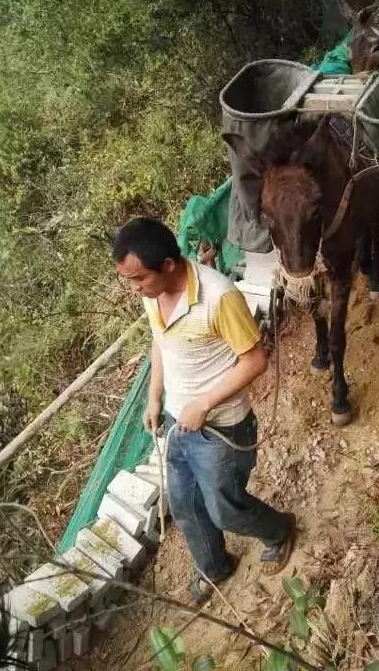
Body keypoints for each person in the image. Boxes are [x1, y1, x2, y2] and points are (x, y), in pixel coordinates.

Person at [113, 217, 295, 603]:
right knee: (184, 505)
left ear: (167, 264)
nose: (135, 290)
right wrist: (154, 396)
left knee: (225, 510)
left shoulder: (218, 296)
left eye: (138, 279)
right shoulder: (153, 296)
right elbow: (159, 342)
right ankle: (214, 567)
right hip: (182, 423)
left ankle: (279, 530)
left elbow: (254, 359)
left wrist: (204, 403)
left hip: (222, 430)